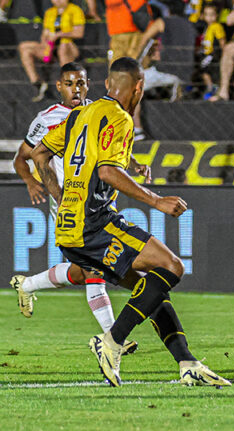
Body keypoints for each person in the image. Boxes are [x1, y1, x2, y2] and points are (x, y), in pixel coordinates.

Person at [30, 57, 230, 388]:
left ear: (108, 84)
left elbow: (39, 154)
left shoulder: (81, 114)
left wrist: (62, 197)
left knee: (148, 290)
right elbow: (108, 171)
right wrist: (156, 200)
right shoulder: (120, 118)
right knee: (171, 266)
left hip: (69, 228)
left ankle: (187, 364)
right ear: (139, 87)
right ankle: (112, 341)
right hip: (94, 221)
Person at [10, 62, 136, 355]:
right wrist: (30, 181)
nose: (75, 89)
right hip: (69, 203)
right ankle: (112, 338)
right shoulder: (47, 119)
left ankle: (27, 285)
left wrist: (136, 164)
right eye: (69, 83)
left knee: (84, 271)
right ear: (59, 86)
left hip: (98, 201)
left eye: (80, 83)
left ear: (88, 84)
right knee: (94, 269)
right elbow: (22, 158)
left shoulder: (96, 112)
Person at [18, 0, 85, 102]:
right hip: (51, 47)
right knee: (24, 47)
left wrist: (59, 35)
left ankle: (69, 86)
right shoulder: (50, 12)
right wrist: (46, 44)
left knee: (63, 47)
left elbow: (79, 33)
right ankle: (37, 83)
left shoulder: (75, 10)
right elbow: (45, 34)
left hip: (69, 45)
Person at [105, 0, 150, 65]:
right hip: (134, 28)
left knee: (117, 60)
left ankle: (115, 74)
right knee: (135, 58)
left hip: (116, 28)